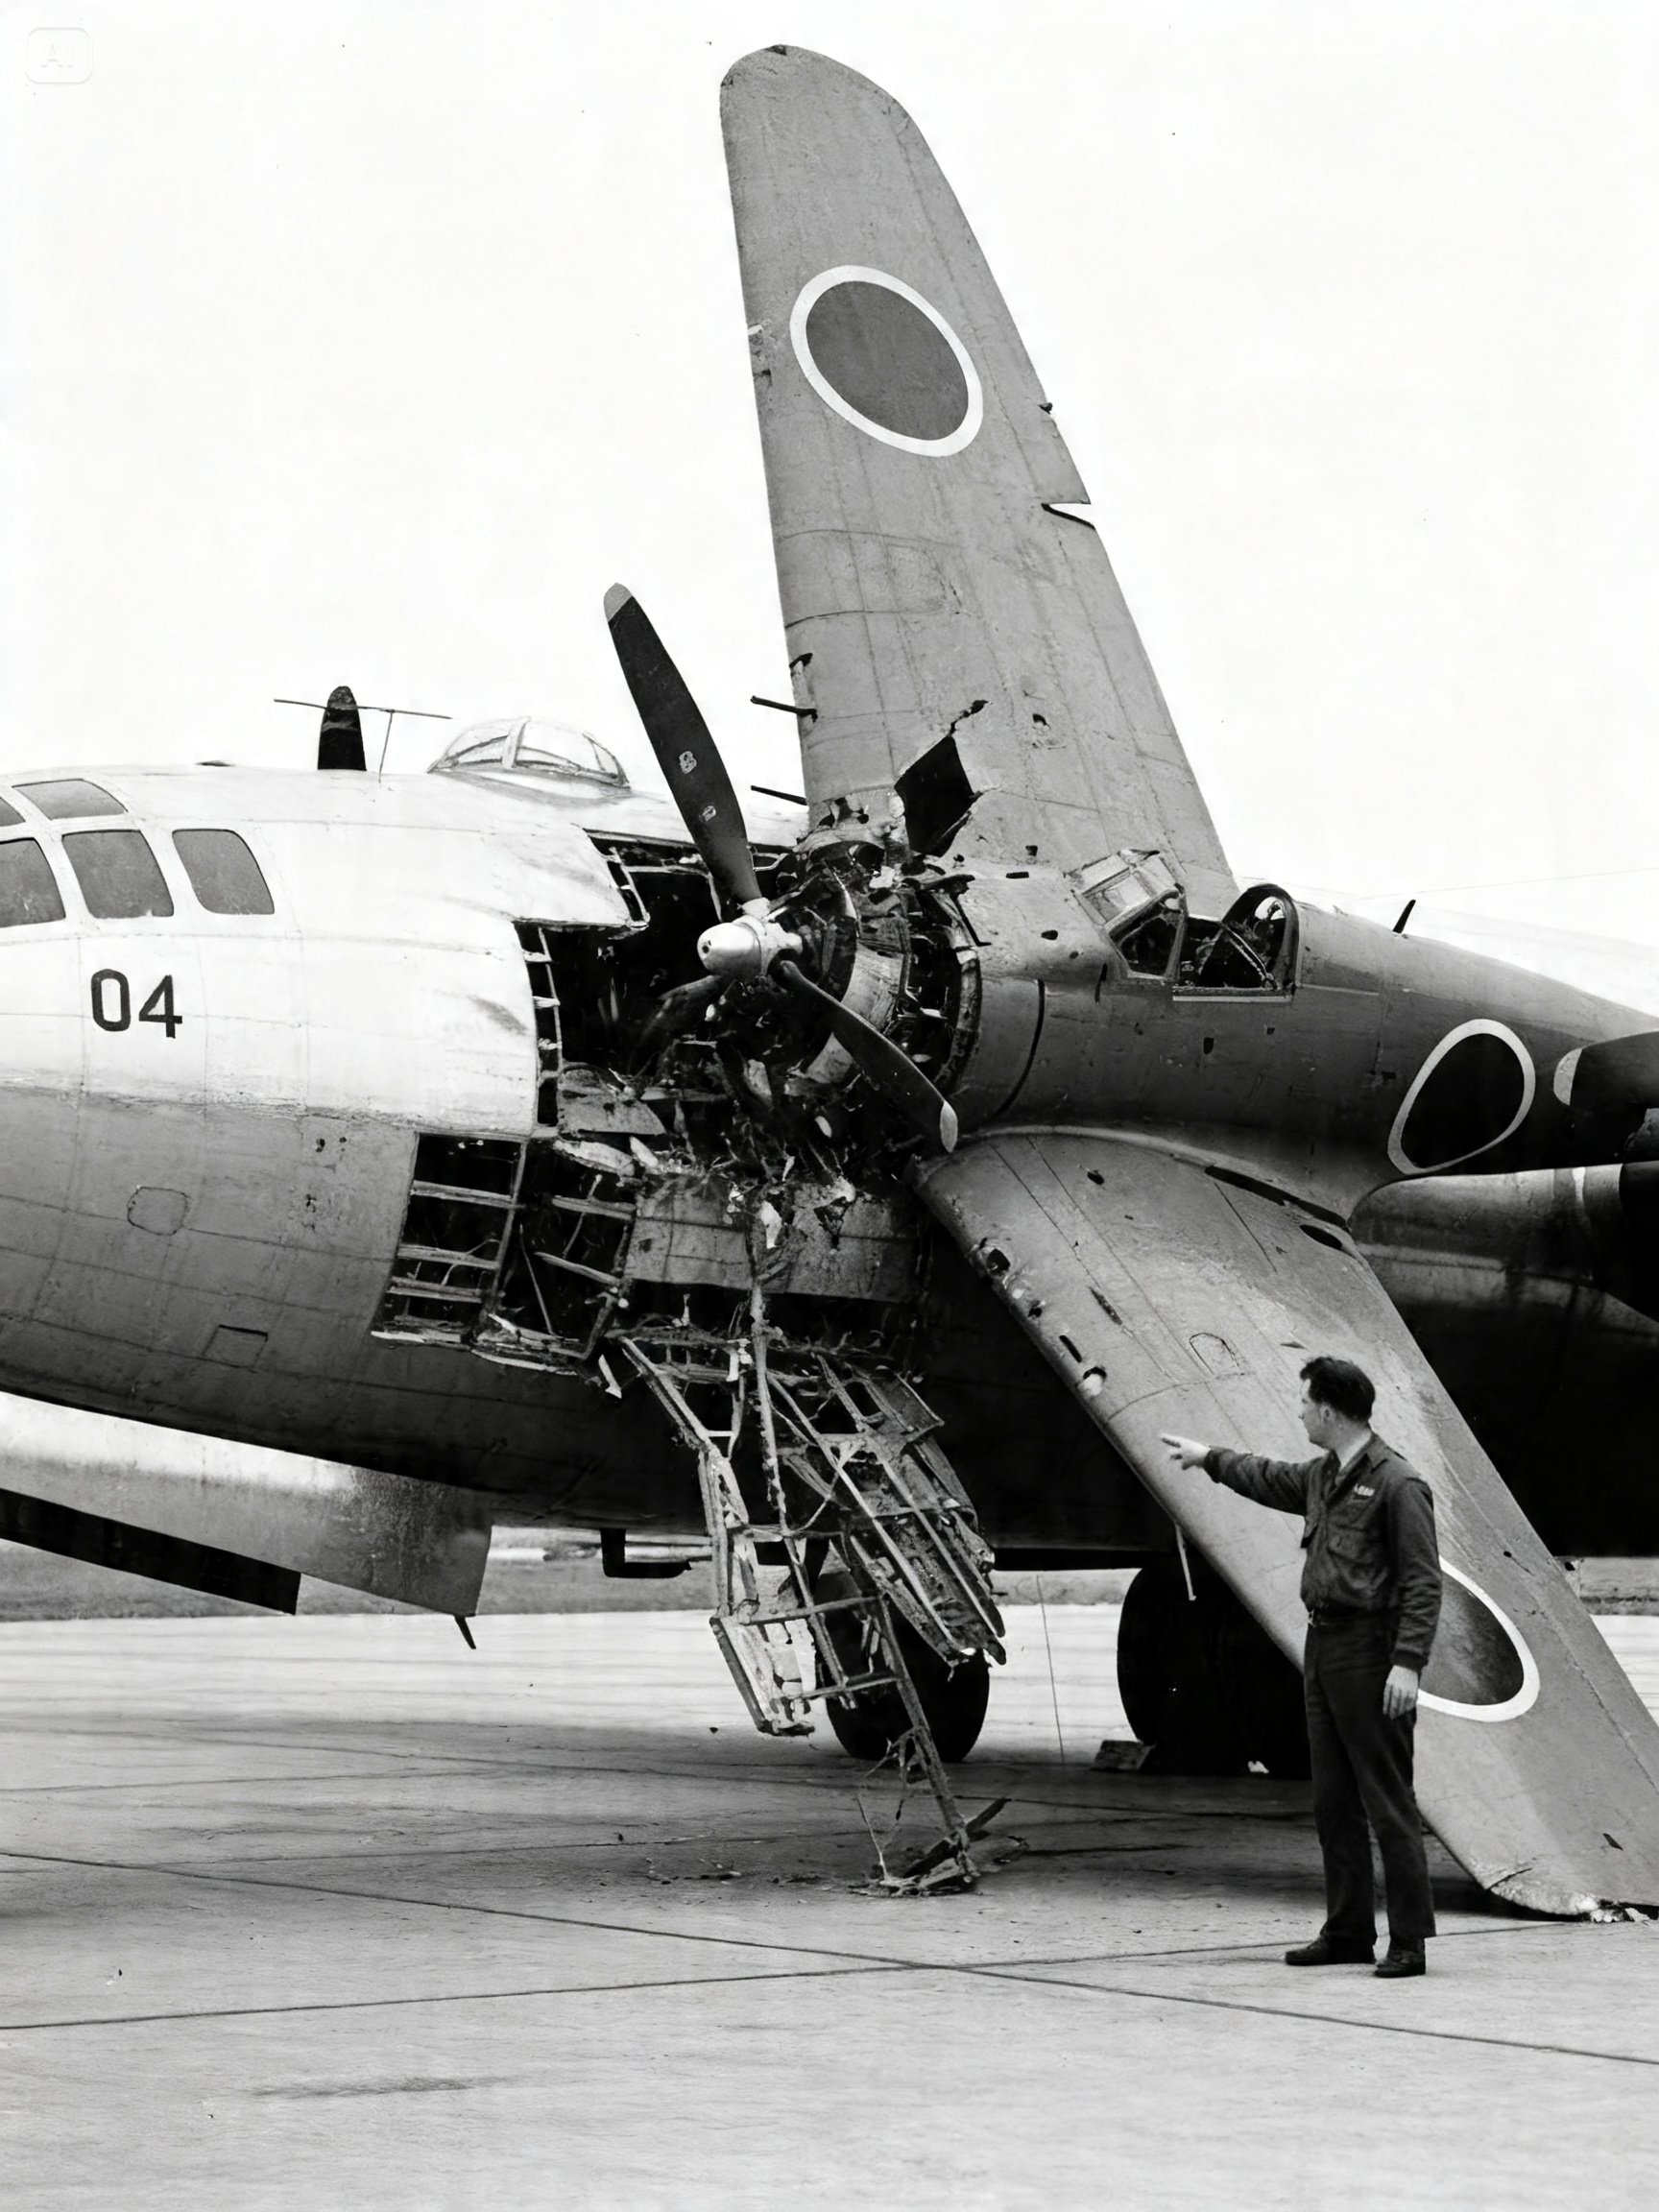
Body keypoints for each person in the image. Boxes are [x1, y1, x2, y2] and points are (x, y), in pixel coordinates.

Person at [1162, 1356, 1442, 1980]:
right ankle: (1346, 1931)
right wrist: (1208, 1457)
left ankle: (1409, 1941)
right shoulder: (1324, 1476)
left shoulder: (1399, 1485)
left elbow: (1423, 1584)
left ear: (1329, 1410)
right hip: (1322, 1649)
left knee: (1388, 1800)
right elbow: (1265, 1477)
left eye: (1303, 1401)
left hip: (1372, 1653)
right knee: (1333, 1801)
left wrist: (1408, 1665)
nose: (1298, 1411)